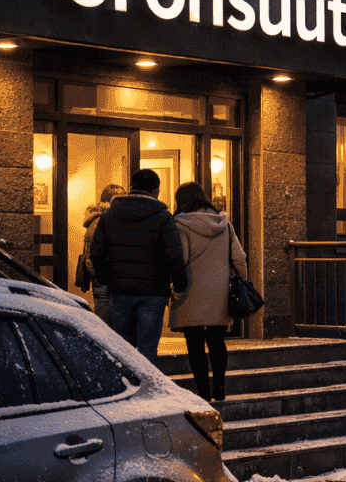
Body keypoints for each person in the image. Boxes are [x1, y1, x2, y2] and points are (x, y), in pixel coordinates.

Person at [90, 168, 187, 367]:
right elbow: (174, 256)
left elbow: (96, 254)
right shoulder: (163, 217)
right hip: (153, 292)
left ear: (131, 187)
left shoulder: (109, 216)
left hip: (120, 292)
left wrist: (108, 281)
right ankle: (145, 383)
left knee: (123, 347)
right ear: (156, 191)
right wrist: (179, 285)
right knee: (148, 347)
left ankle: (126, 381)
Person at [168, 181, 248, 402]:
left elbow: (182, 259)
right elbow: (239, 258)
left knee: (195, 344)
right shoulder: (224, 223)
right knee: (216, 340)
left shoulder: (180, 224)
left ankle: (203, 391)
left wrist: (174, 288)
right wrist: (242, 282)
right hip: (219, 291)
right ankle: (220, 387)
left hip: (191, 291)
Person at [80, 183, 125, 327]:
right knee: (110, 325)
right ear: (108, 201)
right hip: (108, 279)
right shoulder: (105, 221)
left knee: (105, 323)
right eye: (119, 199)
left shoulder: (96, 219)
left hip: (102, 279)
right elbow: (93, 255)